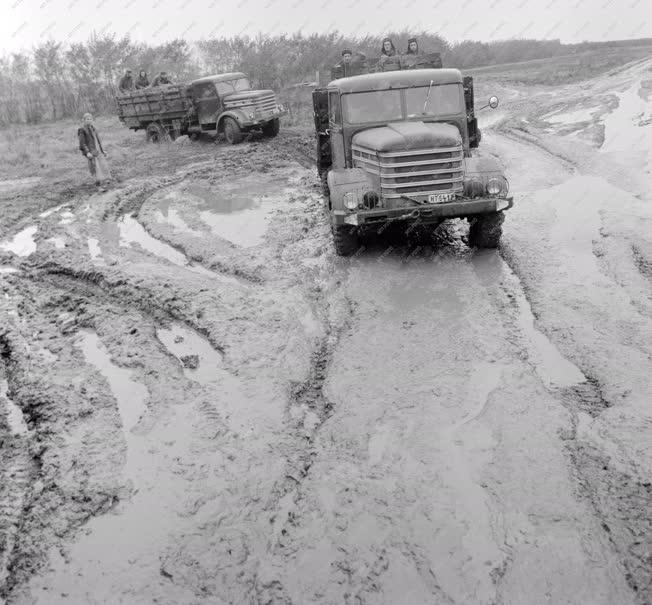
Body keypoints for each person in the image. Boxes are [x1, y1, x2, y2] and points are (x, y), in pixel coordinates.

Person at [77, 113, 111, 189]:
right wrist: (87, 152)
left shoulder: (93, 128)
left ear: (92, 120)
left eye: (90, 119)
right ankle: (98, 186)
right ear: (84, 120)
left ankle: (105, 183)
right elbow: (82, 143)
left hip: (98, 151)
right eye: (87, 119)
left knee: (103, 166)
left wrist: (103, 150)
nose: (89, 120)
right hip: (91, 152)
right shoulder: (82, 130)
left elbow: (98, 140)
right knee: (94, 169)